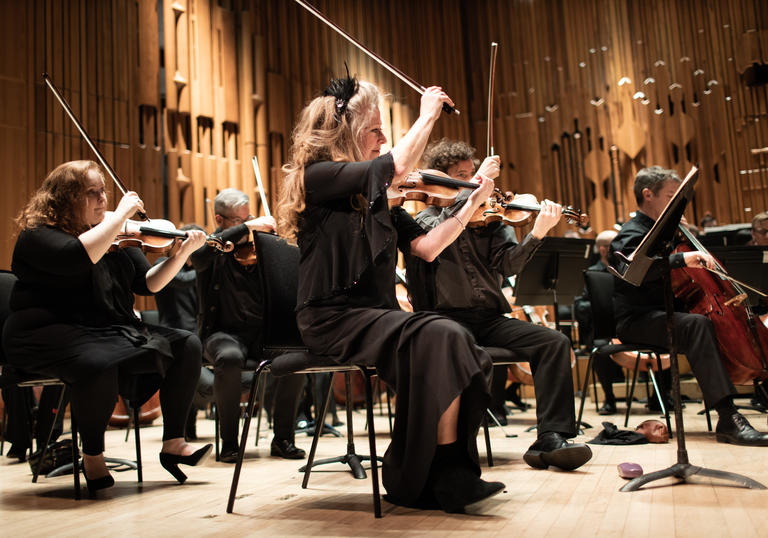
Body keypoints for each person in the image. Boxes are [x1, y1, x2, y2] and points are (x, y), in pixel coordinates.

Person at [277, 76, 504, 513]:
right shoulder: (320, 178)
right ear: (345, 133)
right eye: (375, 129)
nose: (384, 139)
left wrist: (471, 203)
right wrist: (426, 115)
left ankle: (437, 473)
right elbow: (396, 167)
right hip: (332, 317)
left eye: (386, 131)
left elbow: (428, 247)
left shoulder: (378, 200)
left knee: (454, 341)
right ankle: (439, 477)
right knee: (440, 334)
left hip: (376, 317)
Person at [2, 160, 212, 492]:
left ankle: (173, 443)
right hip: (46, 332)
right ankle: (93, 455)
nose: (103, 199)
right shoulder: (38, 237)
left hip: (104, 330)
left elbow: (148, 284)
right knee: (100, 361)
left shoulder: (114, 237)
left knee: (186, 344)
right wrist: (118, 218)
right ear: (65, 197)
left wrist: (180, 255)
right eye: (91, 192)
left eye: (104, 191)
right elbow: (77, 257)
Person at [408, 138, 592, 471]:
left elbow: (509, 266)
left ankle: (551, 437)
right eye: (461, 176)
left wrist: (537, 232)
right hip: (444, 322)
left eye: (473, 174)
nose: (475, 183)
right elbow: (434, 241)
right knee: (467, 352)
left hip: (489, 319)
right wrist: (476, 184)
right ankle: (453, 448)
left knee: (554, 342)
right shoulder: (425, 221)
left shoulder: (491, 220)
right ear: (441, 183)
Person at [610, 165, 768, 446]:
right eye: (671, 195)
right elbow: (634, 270)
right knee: (697, 325)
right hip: (639, 320)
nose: (677, 203)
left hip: (672, 313)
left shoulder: (671, 232)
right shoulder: (631, 233)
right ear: (648, 194)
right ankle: (728, 417)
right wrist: (682, 259)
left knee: (717, 322)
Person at [190, 188, 305, 462]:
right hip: (222, 334)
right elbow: (200, 255)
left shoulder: (261, 249)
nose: (247, 225)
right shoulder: (212, 250)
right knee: (229, 359)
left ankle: (283, 438)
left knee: (296, 354)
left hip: (262, 334)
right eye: (237, 221)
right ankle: (229, 442)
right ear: (219, 219)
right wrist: (247, 227)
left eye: (249, 217)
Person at [152, 224, 217, 441]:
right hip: (175, 342)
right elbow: (180, 281)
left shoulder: (198, 272)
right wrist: (208, 267)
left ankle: (192, 418)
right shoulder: (164, 265)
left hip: (201, 340)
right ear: (181, 244)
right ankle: (185, 421)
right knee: (209, 387)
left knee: (240, 378)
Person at [573, 229, 625, 415]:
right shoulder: (591, 273)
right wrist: (601, 305)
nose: (605, 249)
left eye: (609, 245)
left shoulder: (626, 268)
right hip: (603, 327)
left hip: (627, 323)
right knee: (600, 350)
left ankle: (657, 397)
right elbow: (580, 304)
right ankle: (609, 398)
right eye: (602, 245)